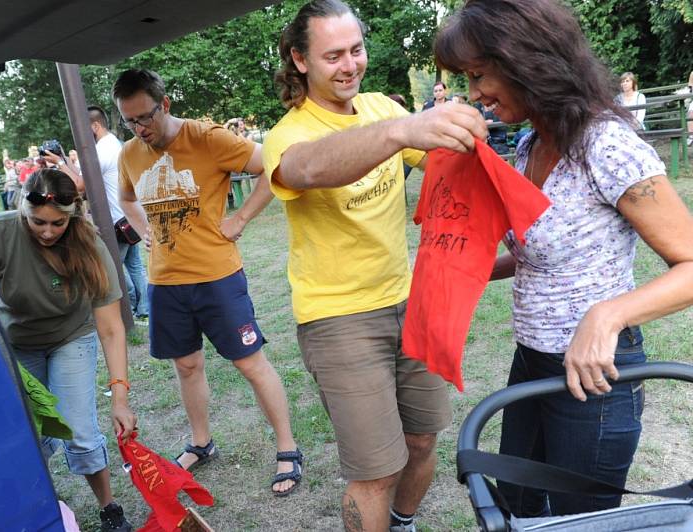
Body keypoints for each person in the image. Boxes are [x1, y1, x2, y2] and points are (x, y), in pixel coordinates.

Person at [434, 0, 693, 518]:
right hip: (531, 363)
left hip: (595, 380)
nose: (474, 93)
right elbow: (545, 255)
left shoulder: (606, 145)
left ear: (526, 60)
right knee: (517, 508)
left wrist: (607, 314)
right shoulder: (530, 142)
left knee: (581, 521)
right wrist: (457, 271)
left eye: (480, 75)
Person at [262, 1, 487, 530]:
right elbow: (307, 168)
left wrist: (465, 136)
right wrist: (401, 132)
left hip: (412, 302)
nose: (349, 65)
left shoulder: (383, 111)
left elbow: (439, 162)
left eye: (356, 50)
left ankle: (403, 523)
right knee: (375, 471)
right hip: (338, 319)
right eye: (333, 55)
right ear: (299, 60)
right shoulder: (287, 134)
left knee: (424, 437)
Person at [112, 68, 303, 496]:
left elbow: (271, 166)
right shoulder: (129, 153)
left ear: (165, 105)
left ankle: (288, 448)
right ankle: (201, 442)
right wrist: (140, 225)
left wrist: (241, 217)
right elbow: (125, 196)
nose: (140, 129)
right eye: (130, 121)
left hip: (217, 276)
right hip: (166, 281)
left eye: (145, 117)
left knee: (249, 363)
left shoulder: (207, 138)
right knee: (186, 364)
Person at [0, 169, 137, 531]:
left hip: (70, 337)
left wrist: (120, 397)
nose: (46, 231)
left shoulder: (89, 243)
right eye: (37, 222)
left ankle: (109, 507)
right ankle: (40, 504)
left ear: (72, 214)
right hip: (17, 344)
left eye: (57, 223)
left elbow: (110, 326)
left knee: (78, 430)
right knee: (29, 433)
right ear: (21, 208)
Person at [87, 105, 149, 320]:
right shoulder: (115, 143)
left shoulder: (101, 149)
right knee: (134, 265)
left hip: (116, 219)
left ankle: (130, 306)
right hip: (129, 216)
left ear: (95, 126)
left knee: (113, 267)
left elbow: (80, 185)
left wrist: (59, 163)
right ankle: (145, 307)